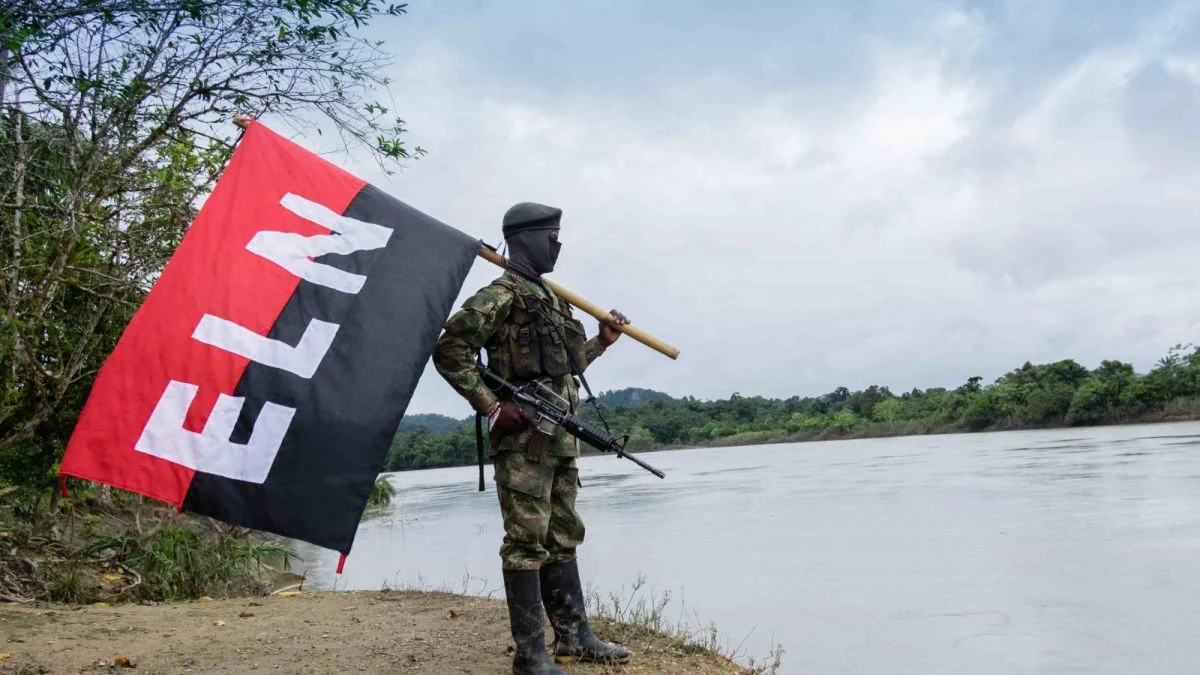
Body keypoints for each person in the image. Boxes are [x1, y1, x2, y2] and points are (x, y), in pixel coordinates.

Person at [432, 201, 632, 675]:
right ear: (525, 238)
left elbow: (565, 367)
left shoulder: (553, 298)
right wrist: (493, 406)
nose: (558, 243)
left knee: (563, 535)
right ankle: (530, 654)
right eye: (552, 234)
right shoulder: (499, 296)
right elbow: (450, 351)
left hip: (560, 436)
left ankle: (574, 637)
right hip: (523, 441)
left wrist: (601, 341)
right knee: (526, 542)